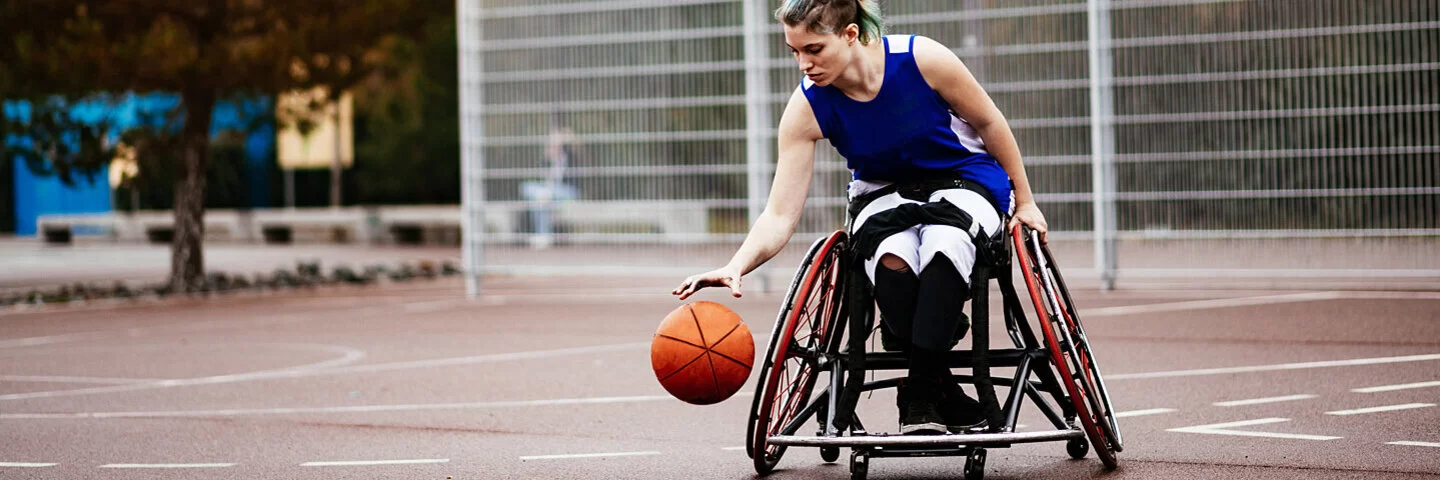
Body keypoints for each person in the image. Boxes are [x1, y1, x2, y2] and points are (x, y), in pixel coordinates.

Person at [672, 0, 1048, 436]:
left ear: (850, 35)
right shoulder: (807, 106)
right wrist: (736, 265)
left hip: (962, 179)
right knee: (892, 256)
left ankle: (920, 395)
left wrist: (1025, 199)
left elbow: (989, 121)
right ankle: (938, 386)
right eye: (794, 51)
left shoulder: (923, 58)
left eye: (813, 49)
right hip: (884, 192)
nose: (804, 64)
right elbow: (780, 212)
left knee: (946, 245)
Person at [520, 115, 578, 249]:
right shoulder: (548, 159)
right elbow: (541, 177)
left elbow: (577, 149)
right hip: (548, 193)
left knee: (541, 198)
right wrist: (549, 155)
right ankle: (543, 235)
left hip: (566, 191)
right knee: (529, 189)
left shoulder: (570, 156)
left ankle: (543, 235)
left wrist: (567, 137)